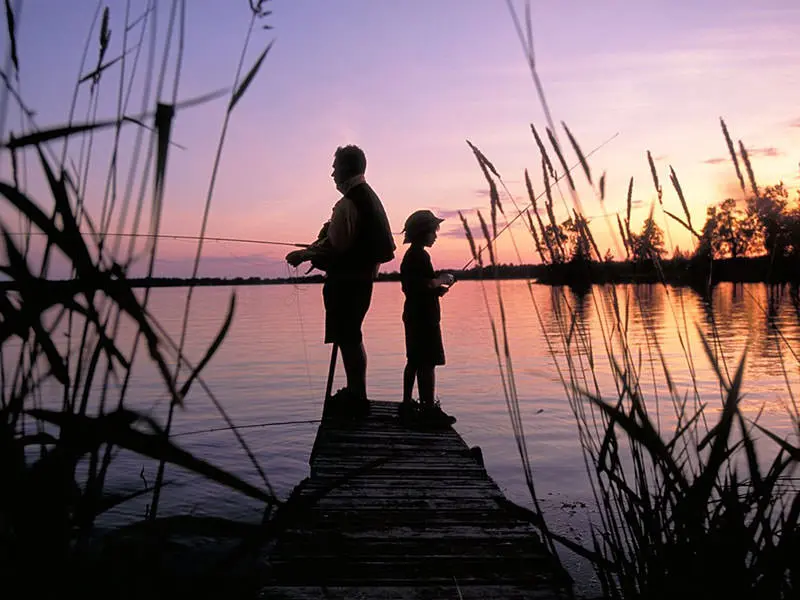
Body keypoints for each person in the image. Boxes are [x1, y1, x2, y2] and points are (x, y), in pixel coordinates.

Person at [286, 145, 395, 416]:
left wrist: (304, 254)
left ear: (347, 168)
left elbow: (336, 247)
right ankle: (356, 393)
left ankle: (357, 397)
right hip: (359, 282)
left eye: (335, 167)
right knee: (351, 337)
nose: (332, 173)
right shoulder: (368, 197)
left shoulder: (351, 202)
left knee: (349, 338)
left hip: (348, 284)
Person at [398, 209, 456, 428]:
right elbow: (420, 284)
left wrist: (436, 290)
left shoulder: (414, 255)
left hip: (415, 314)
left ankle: (408, 404)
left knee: (414, 360)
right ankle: (428, 409)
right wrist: (442, 279)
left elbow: (416, 287)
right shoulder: (418, 255)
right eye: (433, 231)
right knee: (427, 362)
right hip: (423, 318)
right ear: (423, 233)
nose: (436, 235)